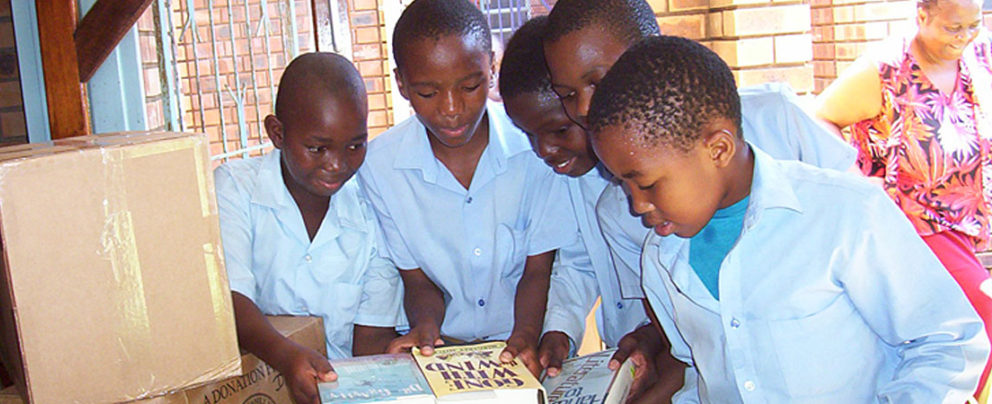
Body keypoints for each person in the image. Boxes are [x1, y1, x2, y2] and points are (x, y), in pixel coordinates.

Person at [589, 34, 989, 402]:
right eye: (624, 184)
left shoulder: (844, 215)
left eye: (647, 184)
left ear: (718, 149)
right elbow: (702, 372)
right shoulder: (661, 258)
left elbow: (947, 343)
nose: (636, 205)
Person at [537, 0, 860, 399]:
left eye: (599, 81)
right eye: (568, 94)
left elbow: (863, 227)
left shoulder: (777, 120)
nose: (585, 108)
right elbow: (687, 346)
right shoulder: (624, 212)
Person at [356, 0, 576, 377]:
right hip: (446, 351)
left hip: (521, 341)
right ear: (401, 83)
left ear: (492, 68)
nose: (452, 109)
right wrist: (426, 330)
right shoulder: (380, 167)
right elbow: (416, 279)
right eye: (428, 93)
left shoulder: (534, 149)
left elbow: (538, 268)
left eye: (470, 86)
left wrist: (524, 337)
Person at [499, 16, 684, 403]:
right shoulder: (572, 177)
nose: (544, 150)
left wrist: (653, 340)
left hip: (677, 358)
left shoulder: (673, 173)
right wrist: (559, 332)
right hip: (628, 353)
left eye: (559, 130)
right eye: (529, 135)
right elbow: (578, 262)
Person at [814, 0, 992, 396]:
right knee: (981, 315)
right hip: (910, 223)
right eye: (953, 28)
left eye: (973, 25)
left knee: (948, 331)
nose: (964, 37)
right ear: (923, 15)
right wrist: (856, 179)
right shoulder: (886, 69)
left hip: (963, 224)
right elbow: (819, 117)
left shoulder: (980, 54)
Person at [214, 53, 403, 404]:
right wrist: (286, 356)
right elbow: (230, 297)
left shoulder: (371, 209)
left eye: (355, 146)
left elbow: (373, 332)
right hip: (254, 389)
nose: (337, 164)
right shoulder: (236, 188)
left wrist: (369, 383)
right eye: (317, 148)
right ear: (277, 133)